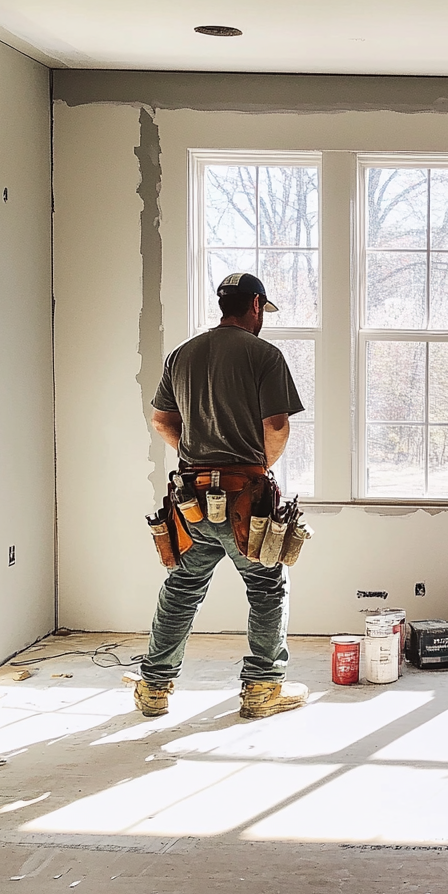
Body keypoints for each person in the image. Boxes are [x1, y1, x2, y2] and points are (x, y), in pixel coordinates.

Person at [135, 272, 309, 720]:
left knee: (182, 587)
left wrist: (198, 455)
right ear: (254, 305)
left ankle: (154, 688)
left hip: (192, 499)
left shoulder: (182, 355)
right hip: (246, 501)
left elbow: (161, 422)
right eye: (262, 311)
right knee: (267, 587)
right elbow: (275, 425)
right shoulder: (264, 355)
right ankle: (262, 690)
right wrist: (258, 468)